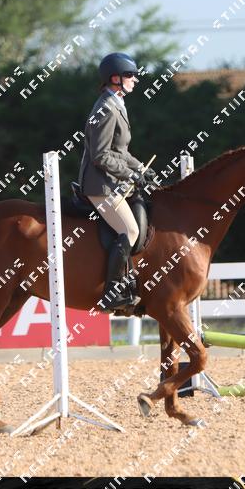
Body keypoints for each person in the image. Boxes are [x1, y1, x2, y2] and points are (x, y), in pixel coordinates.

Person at [77, 52, 156, 311]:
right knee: (130, 231)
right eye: (130, 75)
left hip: (111, 181)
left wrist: (140, 169)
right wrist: (131, 175)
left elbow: (120, 152)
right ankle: (111, 293)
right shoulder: (106, 108)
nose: (135, 79)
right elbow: (100, 156)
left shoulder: (116, 104)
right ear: (115, 78)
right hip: (100, 185)